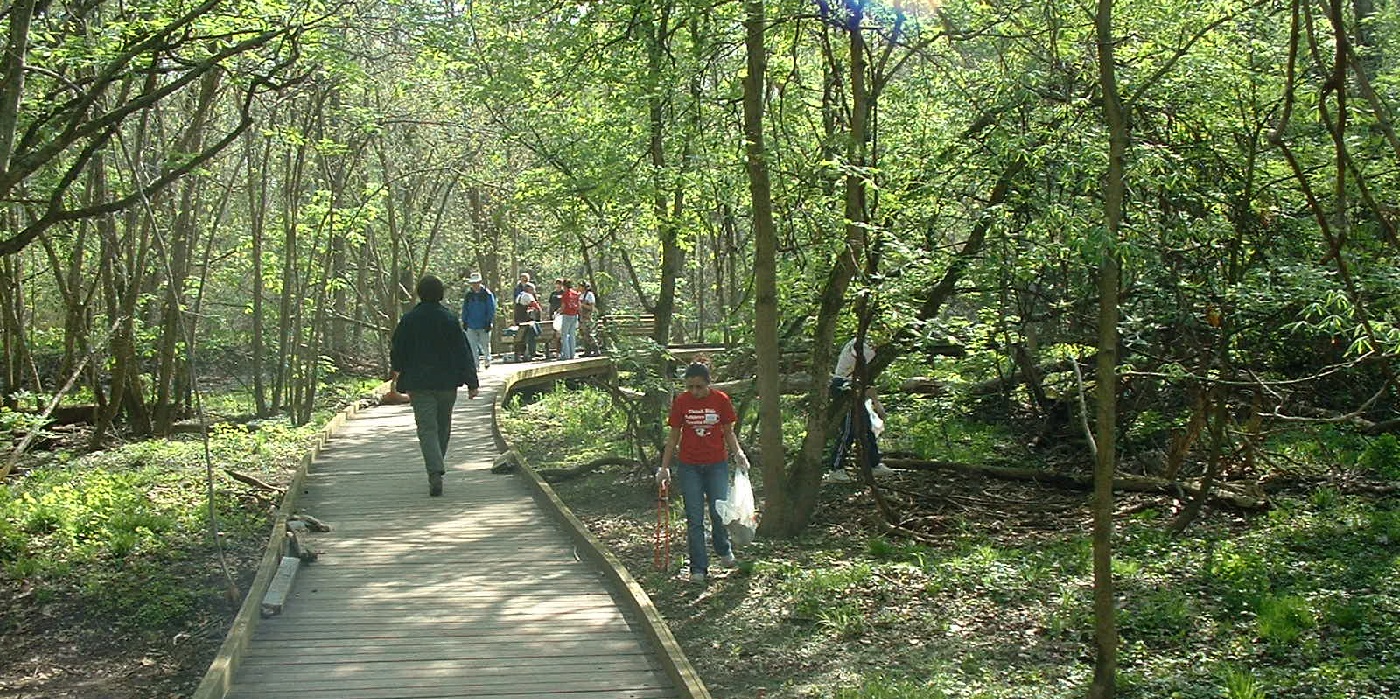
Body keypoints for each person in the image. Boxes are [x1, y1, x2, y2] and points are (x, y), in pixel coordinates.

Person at [657, 362, 750, 584]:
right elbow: (673, 438)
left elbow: (728, 432)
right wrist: (664, 467)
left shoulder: (721, 400)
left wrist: (738, 453)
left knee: (720, 513)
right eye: (690, 387)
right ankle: (698, 567)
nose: (694, 392)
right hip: (690, 466)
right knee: (695, 518)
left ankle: (723, 549)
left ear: (709, 384)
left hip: (716, 464)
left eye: (699, 387)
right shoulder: (681, 402)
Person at [390, 275, 479, 496]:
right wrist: (472, 382)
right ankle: (436, 467)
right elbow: (463, 351)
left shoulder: (409, 319)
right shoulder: (448, 319)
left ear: (419, 293)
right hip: (446, 383)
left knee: (426, 429)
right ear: (440, 293)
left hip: (419, 384)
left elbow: (397, 349)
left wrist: (397, 370)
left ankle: (435, 471)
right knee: (443, 427)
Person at [826, 337, 893, 482]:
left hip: (854, 386)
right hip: (844, 386)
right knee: (849, 429)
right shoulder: (861, 345)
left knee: (866, 427)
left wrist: (877, 404)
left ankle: (873, 464)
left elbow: (867, 382)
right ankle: (835, 469)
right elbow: (864, 376)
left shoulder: (870, 348)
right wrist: (877, 404)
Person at [460, 272, 496, 369]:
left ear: (480, 282)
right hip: (471, 324)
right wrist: (464, 321)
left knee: (485, 344)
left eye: (476, 282)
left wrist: (489, 321)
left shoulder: (487, 294)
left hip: (484, 324)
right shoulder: (468, 295)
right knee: (472, 346)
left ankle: (487, 360)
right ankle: (475, 365)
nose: (475, 285)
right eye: (473, 283)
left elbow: (491, 309)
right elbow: (465, 309)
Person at [513, 282, 543, 361]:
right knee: (532, 330)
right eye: (533, 289)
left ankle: (523, 352)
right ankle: (531, 352)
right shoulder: (528, 295)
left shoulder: (520, 295)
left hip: (518, 319)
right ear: (529, 289)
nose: (534, 291)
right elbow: (536, 306)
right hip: (524, 320)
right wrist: (539, 311)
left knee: (521, 336)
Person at [558, 277, 581, 359]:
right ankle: (572, 354)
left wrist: (558, 312)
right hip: (574, 315)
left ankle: (566, 355)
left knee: (564, 335)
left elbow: (563, 306)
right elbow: (579, 305)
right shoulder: (576, 293)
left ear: (564, 286)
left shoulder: (565, 294)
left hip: (567, 315)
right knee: (572, 335)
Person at [577, 281, 598, 356]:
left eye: (580, 286)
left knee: (589, 334)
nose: (578, 288)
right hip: (581, 317)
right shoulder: (580, 295)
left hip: (588, 318)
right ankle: (587, 351)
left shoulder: (589, 295)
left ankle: (596, 350)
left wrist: (582, 305)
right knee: (583, 334)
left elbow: (592, 308)